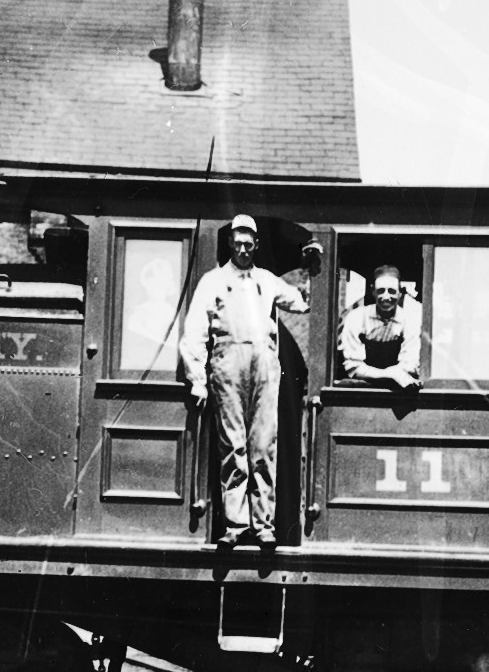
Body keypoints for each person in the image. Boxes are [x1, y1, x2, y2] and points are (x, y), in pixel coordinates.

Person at [181, 215, 310, 546]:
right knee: (233, 445)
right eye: (237, 243)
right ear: (229, 243)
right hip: (228, 366)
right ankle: (235, 524)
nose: (242, 249)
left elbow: (300, 303)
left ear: (256, 245)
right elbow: (195, 330)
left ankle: (263, 524)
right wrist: (197, 378)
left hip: (264, 367)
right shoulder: (213, 281)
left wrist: (311, 271)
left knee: (263, 445)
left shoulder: (266, 280)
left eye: (248, 244)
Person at [339, 265, 423, 391]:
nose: (386, 297)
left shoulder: (409, 320)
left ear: (400, 293)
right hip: (363, 388)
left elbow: (410, 363)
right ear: (373, 291)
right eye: (381, 291)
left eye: (392, 291)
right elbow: (353, 366)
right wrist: (392, 375)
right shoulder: (356, 318)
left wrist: (396, 374)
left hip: (398, 390)